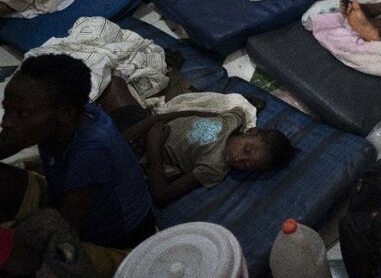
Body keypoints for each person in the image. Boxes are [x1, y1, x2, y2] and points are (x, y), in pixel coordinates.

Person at [0, 55, 155, 278]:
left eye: (21, 114)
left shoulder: (92, 150)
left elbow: (64, 228)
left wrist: (14, 238)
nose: (6, 122)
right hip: (60, 202)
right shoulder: (68, 118)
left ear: (65, 113)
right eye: (6, 110)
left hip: (113, 246)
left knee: (32, 261)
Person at [95, 77, 297, 206]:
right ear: (250, 132)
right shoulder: (235, 118)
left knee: (94, 141)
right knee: (113, 82)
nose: (238, 159)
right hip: (149, 122)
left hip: (137, 149)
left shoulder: (213, 167)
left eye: (246, 165)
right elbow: (198, 113)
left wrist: (154, 147)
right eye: (246, 150)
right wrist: (156, 119)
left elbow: (161, 196)